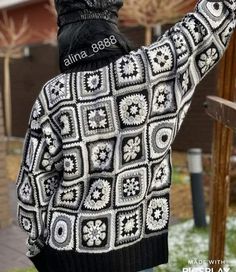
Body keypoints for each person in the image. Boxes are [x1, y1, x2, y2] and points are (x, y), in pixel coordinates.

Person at [15, 0, 236, 271]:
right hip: (136, 254)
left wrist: (40, 251)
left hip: (67, 256)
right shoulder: (150, 70)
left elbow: (32, 190)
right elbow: (209, 23)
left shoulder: (53, 96)